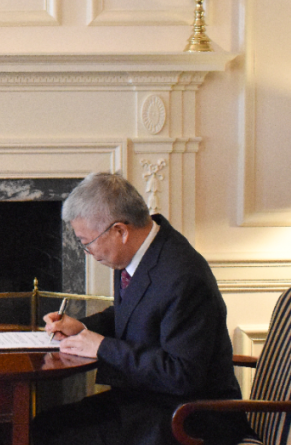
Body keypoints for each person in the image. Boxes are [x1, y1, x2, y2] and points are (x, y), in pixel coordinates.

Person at [32, 172, 249, 445]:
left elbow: (182, 375)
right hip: (148, 401)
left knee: (52, 436)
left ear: (120, 231)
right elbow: (136, 313)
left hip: (190, 417)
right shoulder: (139, 253)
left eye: (87, 243)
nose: (88, 252)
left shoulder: (183, 276)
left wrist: (102, 347)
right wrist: (83, 327)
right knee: (43, 426)